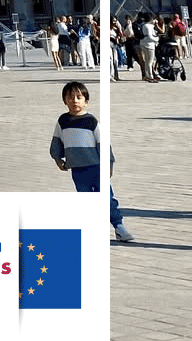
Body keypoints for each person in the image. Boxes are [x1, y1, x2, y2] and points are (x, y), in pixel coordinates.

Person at [49, 80, 133, 242]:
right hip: (78, 171)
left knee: (106, 199)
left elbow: (103, 144)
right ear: (64, 101)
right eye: (70, 97)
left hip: (97, 168)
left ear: (86, 101)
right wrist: (58, 159)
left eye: (79, 97)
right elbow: (56, 141)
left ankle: (119, 226)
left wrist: (108, 164)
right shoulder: (63, 121)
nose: (74, 101)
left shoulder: (91, 121)